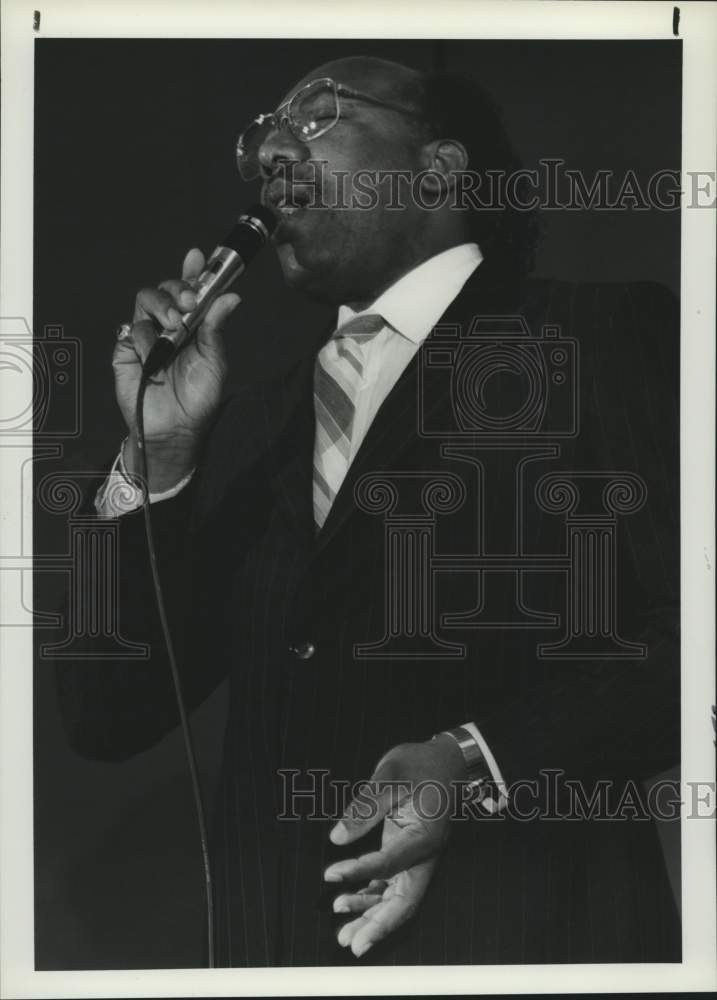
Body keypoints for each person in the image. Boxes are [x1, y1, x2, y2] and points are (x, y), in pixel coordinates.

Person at [56, 56, 680, 966]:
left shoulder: (600, 333)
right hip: (274, 954)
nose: (272, 148)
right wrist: (158, 455)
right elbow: (107, 715)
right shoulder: (251, 422)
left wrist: (472, 761)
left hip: (522, 941)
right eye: (262, 133)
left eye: (316, 118)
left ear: (437, 168)